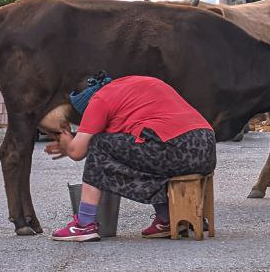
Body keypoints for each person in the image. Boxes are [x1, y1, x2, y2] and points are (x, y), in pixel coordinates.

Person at [44, 74, 216, 242]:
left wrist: (67, 142)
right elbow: (130, 147)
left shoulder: (99, 100)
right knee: (137, 150)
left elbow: (77, 152)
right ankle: (166, 219)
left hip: (173, 147)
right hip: (205, 147)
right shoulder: (136, 85)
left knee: (98, 144)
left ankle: (84, 224)